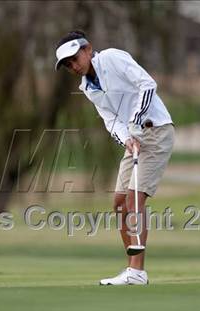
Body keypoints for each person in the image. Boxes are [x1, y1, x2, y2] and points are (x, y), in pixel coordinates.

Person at [55, 30, 174, 285]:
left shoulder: (111, 59)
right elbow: (111, 120)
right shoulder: (87, 87)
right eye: (68, 64)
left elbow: (147, 84)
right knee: (120, 204)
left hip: (156, 131)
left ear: (88, 49)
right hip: (135, 140)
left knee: (134, 201)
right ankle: (132, 270)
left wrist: (135, 122)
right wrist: (127, 139)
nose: (73, 66)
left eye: (74, 58)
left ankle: (137, 272)